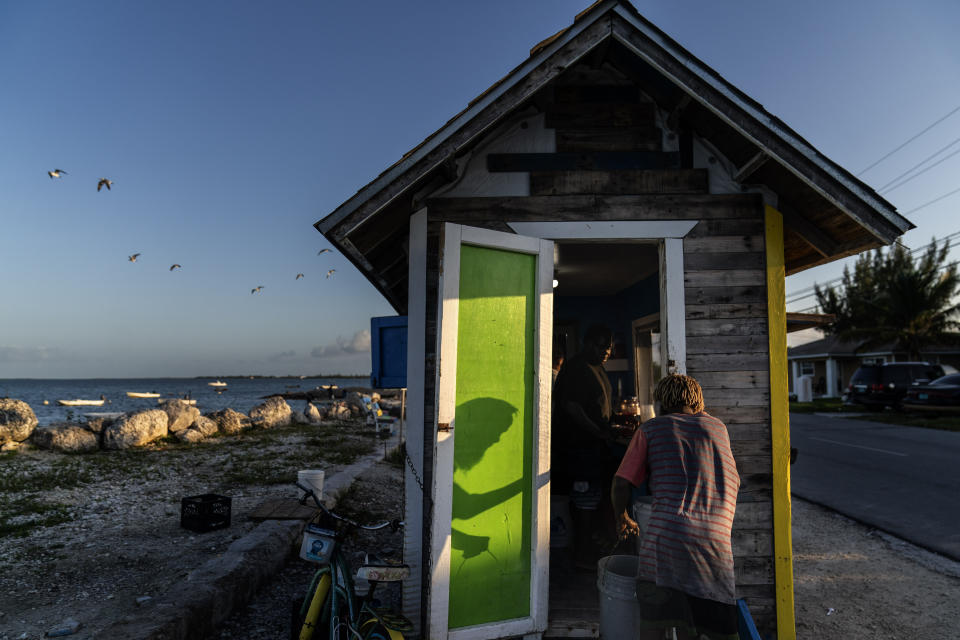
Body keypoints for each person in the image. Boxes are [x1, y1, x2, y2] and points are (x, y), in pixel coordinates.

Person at [611, 374, 740, 640]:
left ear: (661, 403)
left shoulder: (651, 429)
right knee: (700, 627)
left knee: (656, 624)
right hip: (715, 545)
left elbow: (620, 483)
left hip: (666, 543)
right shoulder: (718, 429)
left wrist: (621, 517)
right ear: (698, 402)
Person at [552, 324, 618, 569]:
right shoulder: (576, 368)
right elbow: (572, 407)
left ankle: (588, 549)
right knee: (584, 501)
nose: (606, 351)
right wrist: (598, 430)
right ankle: (581, 555)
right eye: (601, 345)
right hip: (579, 449)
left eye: (609, 347)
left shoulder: (597, 367)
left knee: (592, 500)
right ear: (587, 344)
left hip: (594, 447)